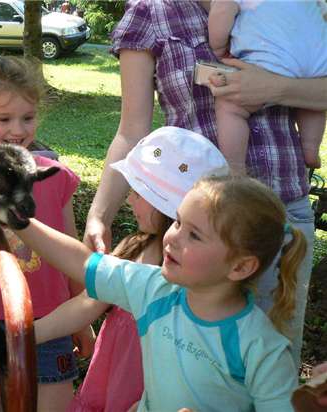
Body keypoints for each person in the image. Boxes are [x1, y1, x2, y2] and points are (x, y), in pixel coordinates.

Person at [83, 0, 326, 367]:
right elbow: (132, 129)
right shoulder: (151, 12)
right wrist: (100, 214)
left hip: (282, 216)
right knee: (202, 366)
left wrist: (273, 88)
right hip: (200, 230)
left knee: (274, 361)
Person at [18, 173, 307, 412]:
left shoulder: (261, 347)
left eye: (194, 235)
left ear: (241, 266)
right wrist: (18, 220)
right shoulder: (156, 290)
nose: (172, 238)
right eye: (178, 222)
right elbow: (83, 264)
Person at [35, 126, 230, 412]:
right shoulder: (133, 248)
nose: (129, 200)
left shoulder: (192, 279)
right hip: (109, 381)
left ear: (166, 205)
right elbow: (88, 302)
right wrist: (26, 335)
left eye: (138, 193)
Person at [0, 55, 95, 412]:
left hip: (52, 322)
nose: (18, 129)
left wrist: (83, 319)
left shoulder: (57, 177)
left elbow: (71, 255)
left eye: (27, 118)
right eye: (3, 119)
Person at [208, 0, 327, 172]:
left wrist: (218, 47)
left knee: (229, 106)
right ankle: (310, 148)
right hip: (318, 59)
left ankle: (235, 168)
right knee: (310, 101)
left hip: (273, 59)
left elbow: (222, 11)